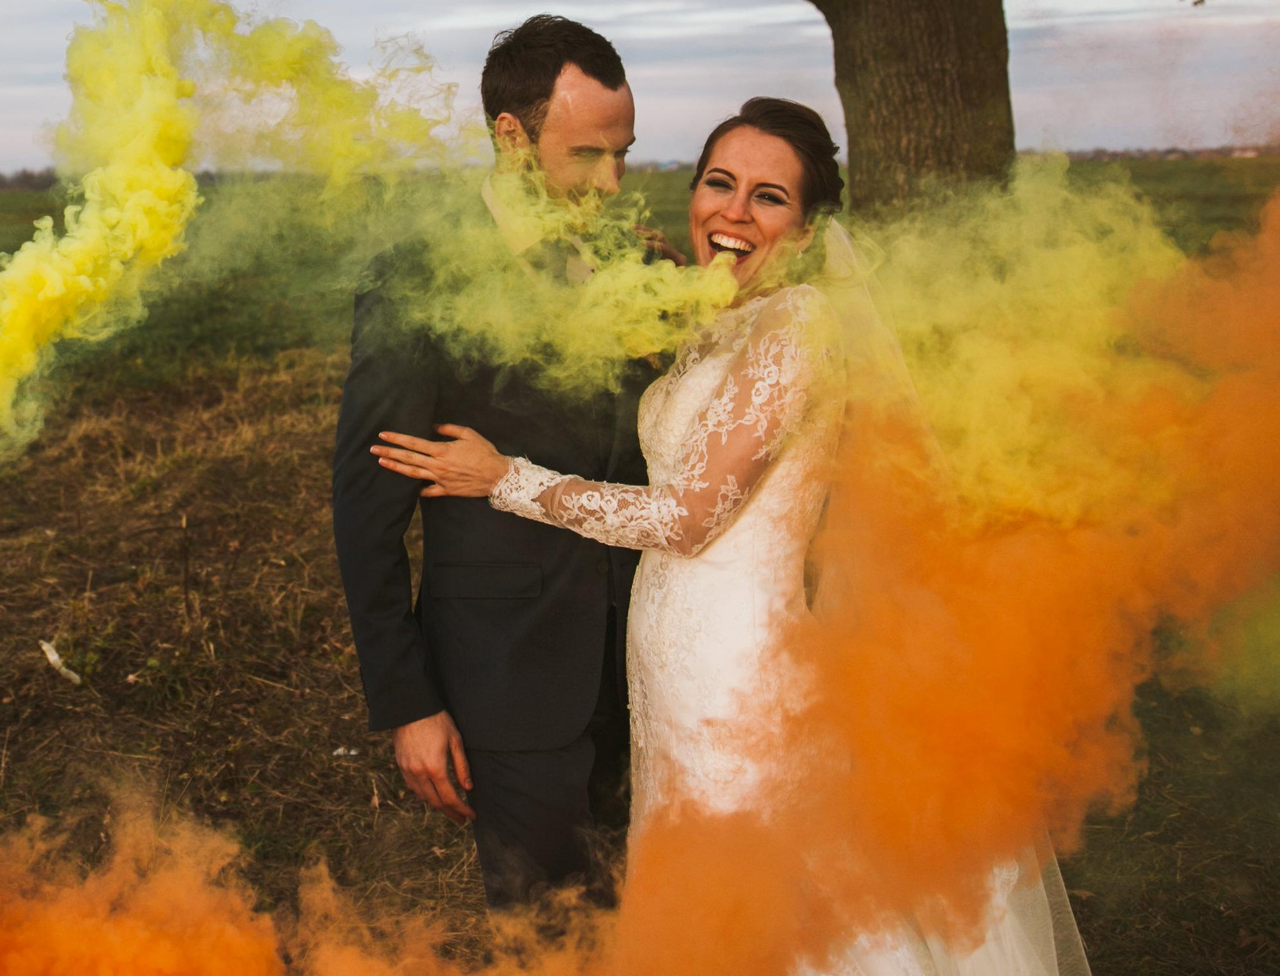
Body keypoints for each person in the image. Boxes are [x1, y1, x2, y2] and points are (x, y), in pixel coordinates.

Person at [373, 97, 1091, 972]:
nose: (733, 211)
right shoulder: (724, 317)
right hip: (674, 670)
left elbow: (687, 515)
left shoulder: (800, 325)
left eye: (769, 196)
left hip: (740, 676)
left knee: (776, 900)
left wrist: (505, 479)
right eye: (720, 183)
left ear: (809, 223)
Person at [331, 15, 655, 906]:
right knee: (546, 936)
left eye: (624, 153)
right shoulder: (416, 279)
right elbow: (365, 512)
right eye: (588, 155)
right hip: (509, 682)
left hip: (651, 667)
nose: (613, 181)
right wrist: (407, 702)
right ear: (511, 137)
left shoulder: (632, 255)